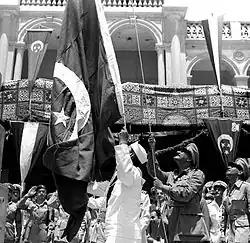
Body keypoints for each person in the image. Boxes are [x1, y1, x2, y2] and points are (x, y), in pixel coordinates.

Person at [148, 136, 210, 243]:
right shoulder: (171, 175)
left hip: (188, 230)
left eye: (183, 151)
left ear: (190, 158)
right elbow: (154, 171)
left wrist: (163, 187)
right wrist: (152, 149)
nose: (178, 151)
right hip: (171, 225)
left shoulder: (197, 174)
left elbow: (186, 194)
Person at [104, 127, 145, 243]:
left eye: (128, 150)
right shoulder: (123, 179)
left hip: (123, 234)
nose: (125, 150)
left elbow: (125, 169)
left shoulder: (133, 175)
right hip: (120, 233)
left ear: (131, 156)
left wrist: (123, 143)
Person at [220, 158, 250, 243]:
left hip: (243, 233)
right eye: (229, 165)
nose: (229, 167)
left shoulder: (246, 187)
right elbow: (224, 215)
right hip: (229, 234)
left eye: (234, 166)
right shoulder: (226, 191)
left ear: (240, 172)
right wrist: (222, 233)